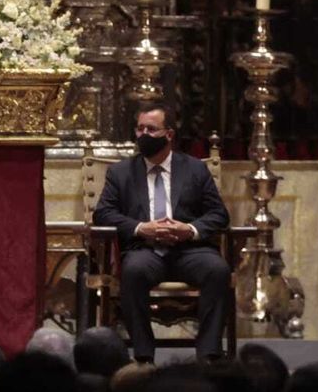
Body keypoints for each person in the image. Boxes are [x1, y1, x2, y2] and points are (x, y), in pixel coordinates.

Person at [93, 102, 231, 361]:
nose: (143, 134)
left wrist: (189, 229)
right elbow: (103, 213)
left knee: (218, 269)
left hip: (190, 251)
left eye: (151, 129)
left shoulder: (194, 169)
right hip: (145, 251)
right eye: (140, 129)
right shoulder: (121, 172)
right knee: (133, 271)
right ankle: (144, 357)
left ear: (169, 134)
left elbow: (219, 215)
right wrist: (141, 228)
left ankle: (209, 354)